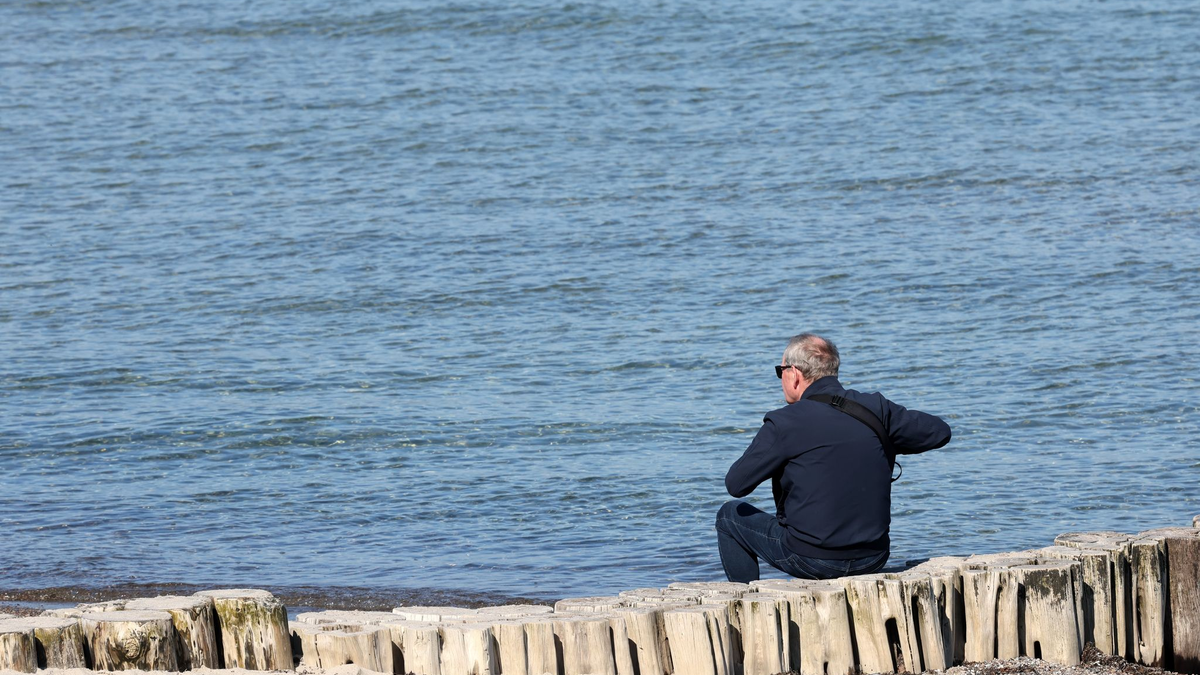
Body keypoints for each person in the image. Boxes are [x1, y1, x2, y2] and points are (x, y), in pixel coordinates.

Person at [716, 333, 951, 582]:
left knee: (729, 515)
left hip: (811, 560)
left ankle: (745, 598)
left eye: (780, 370)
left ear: (794, 373)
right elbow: (939, 432)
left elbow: (736, 484)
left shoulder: (785, 422)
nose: (780, 377)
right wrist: (878, 443)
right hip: (873, 556)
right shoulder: (875, 408)